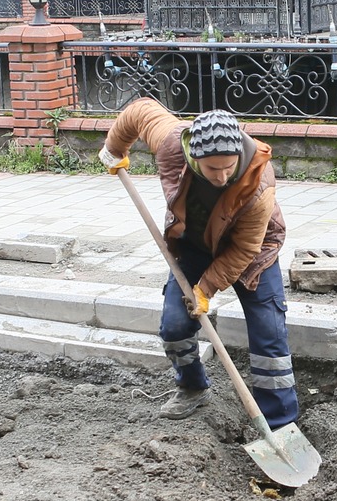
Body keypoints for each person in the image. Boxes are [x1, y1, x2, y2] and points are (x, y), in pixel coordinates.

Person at [99, 103, 298, 429]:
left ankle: (279, 424)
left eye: (228, 168)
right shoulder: (172, 142)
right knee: (175, 327)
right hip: (193, 246)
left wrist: (205, 289)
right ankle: (192, 387)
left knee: (269, 336)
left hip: (253, 254)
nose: (221, 177)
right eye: (211, 170)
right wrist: (114, 149)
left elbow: (243, 249)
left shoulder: (258, 182)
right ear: (193, 156)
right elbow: (138, 113)